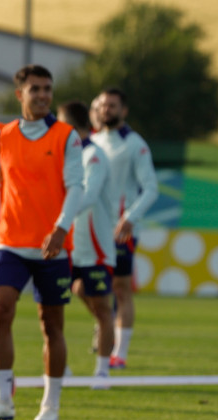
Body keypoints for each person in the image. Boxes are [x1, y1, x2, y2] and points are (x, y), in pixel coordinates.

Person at [0, 64, 85, 420]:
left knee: (51, 324)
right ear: (19, 94)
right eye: (35, 89)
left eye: (47, 89)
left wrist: (60, 228)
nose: (42, 95)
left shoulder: (67, 136)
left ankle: (50, 404)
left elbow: (76, 187)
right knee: (0, 311)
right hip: (10, 244)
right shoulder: (2, 136)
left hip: (51, 248)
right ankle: (2, 400)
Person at [91, 88, 158, 369]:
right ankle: (103, 331)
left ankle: (120, 352)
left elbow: (151, 188)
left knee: (120, 288)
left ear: (123, 110)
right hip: (93, 228)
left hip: (121, 229)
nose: (107, 109)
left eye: (113, 105)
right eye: (103, 105)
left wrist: (130, 217)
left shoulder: (134, 144)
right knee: (91, 287)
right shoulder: (91, 142)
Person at [57, 100, 116, 389]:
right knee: (56, 304)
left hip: (95, 246)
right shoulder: (65, 155)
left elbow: (88, 196)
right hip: (68, 244)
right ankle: (61, 367)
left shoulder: (93, 155)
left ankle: (102, 372)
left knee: (103, 308)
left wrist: (58, 218)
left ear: (69, 125)